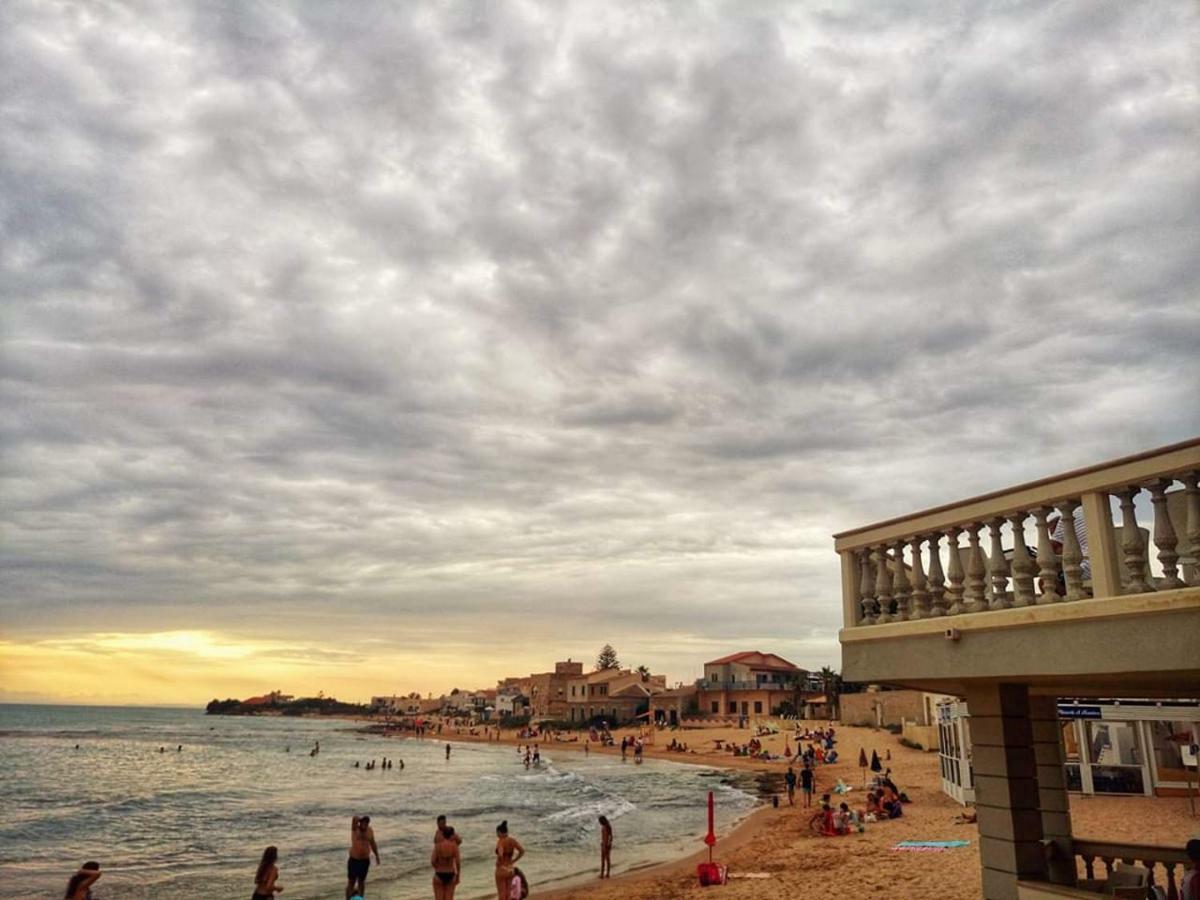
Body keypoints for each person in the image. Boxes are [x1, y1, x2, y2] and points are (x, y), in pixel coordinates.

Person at [347, 815, 379, 899]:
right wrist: (360, 819)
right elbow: (354, 818)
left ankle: (361, 898)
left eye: (366, 823)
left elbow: (373, 844)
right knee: (351, 882)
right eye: (363, 822)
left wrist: (377, 855)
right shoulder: (355, 829)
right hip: (354, 860)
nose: (364, 824)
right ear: (360, 823)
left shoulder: (370, 831)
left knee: (361, 881)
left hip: (364, 860)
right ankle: (348, 898)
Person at [494, 820, 524, 900]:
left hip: (501, 869)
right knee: (508, 893)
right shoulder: (512, 840)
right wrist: (514, 860)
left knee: (501, 894)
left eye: (497, 833)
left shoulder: (501, 842)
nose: (497, 835)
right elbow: (522, 851)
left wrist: (499, 862)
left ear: (500, 832)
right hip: (510, 869)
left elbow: (500, 854)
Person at [431, 826, 461, 900]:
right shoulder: (454, 846)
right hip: (450, 873)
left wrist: (438, 867)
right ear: (451, 835)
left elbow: (432, 861)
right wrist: (458, 876)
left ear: (443, 835)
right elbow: (458, 862)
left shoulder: (438, 846)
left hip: (439, 874)